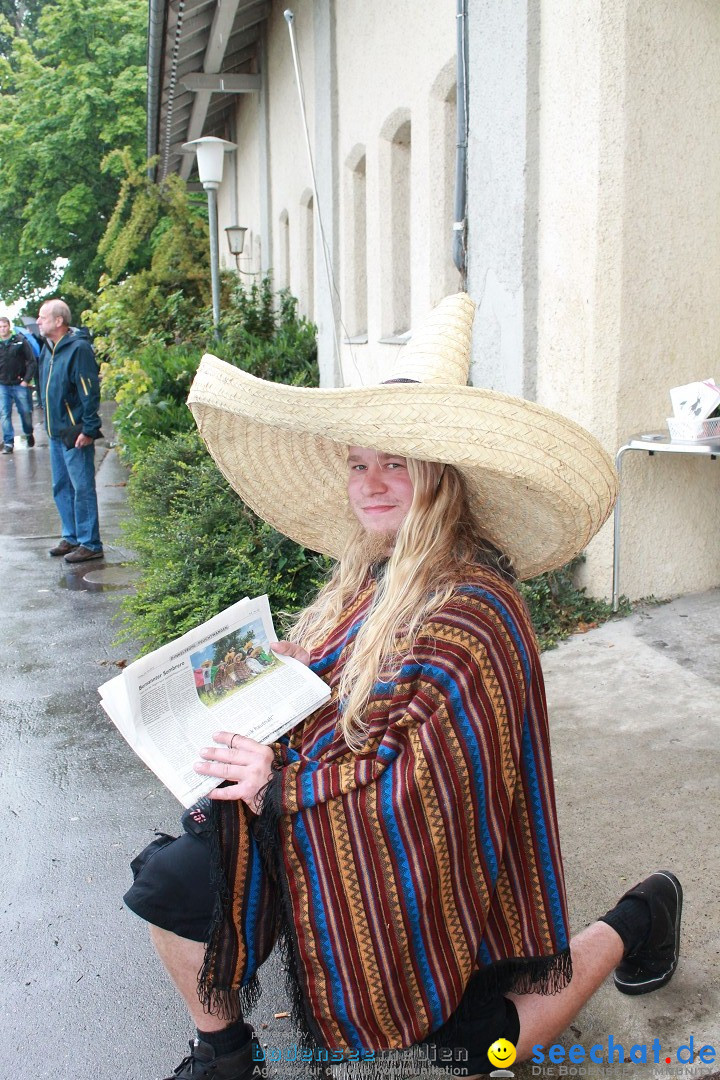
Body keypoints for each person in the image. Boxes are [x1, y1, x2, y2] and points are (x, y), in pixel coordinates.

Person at [124, 294, 682, 1079]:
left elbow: (416, 779)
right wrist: (290, 666)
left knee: (474, 1045)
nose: (371, 482)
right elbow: (352, 693)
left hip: (426, 859)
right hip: (323, 822)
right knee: (174, 884)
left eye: (396, 463)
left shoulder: (474, 608)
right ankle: (223, 1055)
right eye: (359, 463)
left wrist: (282, 788)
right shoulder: (375, 570)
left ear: (440, 476)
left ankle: (639, 913)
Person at [37, 299, 104, 562]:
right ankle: (72, 536)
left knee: (82, 487)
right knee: (61, 486)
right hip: (56, 432)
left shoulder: (78, 349)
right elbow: (43, 385)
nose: (39, 321)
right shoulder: (48, 348)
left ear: (58, 321)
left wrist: (89, 429)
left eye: (43, 317)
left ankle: (90, 543)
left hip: (75, 432)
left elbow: (89, 391)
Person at [0, 315, 36, 453]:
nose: (2, 329)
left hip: (19, 383)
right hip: (3, 384)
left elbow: (32, 361)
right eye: (0, 327)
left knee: (25, 412)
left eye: (4, 326)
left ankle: (28, 432)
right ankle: (9, 442)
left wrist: (26, 380)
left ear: (9, 327)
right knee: (4, 414)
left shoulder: (20, 341)